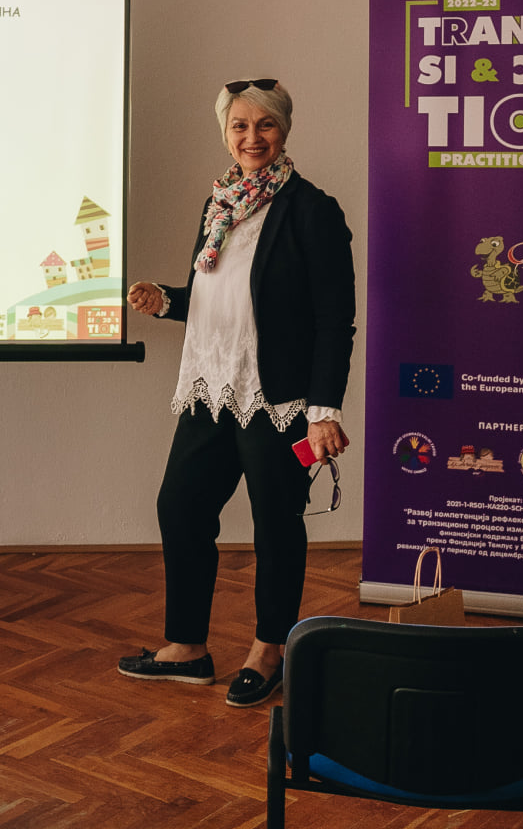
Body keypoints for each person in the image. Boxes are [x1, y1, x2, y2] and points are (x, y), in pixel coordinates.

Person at [120, 78, 354, 708]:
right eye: (240, 126)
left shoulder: (312, 210)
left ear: (284, 130)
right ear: (226, 134)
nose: (252, 137)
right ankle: (187, 648)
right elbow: (220, 296)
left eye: (265, 125)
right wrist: (167, 301)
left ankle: (268, 650)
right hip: (210, 385)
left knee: (275, 523)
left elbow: (335, 320)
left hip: (277, 399)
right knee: (181, 506)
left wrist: (322, 411)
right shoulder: (219, 203)